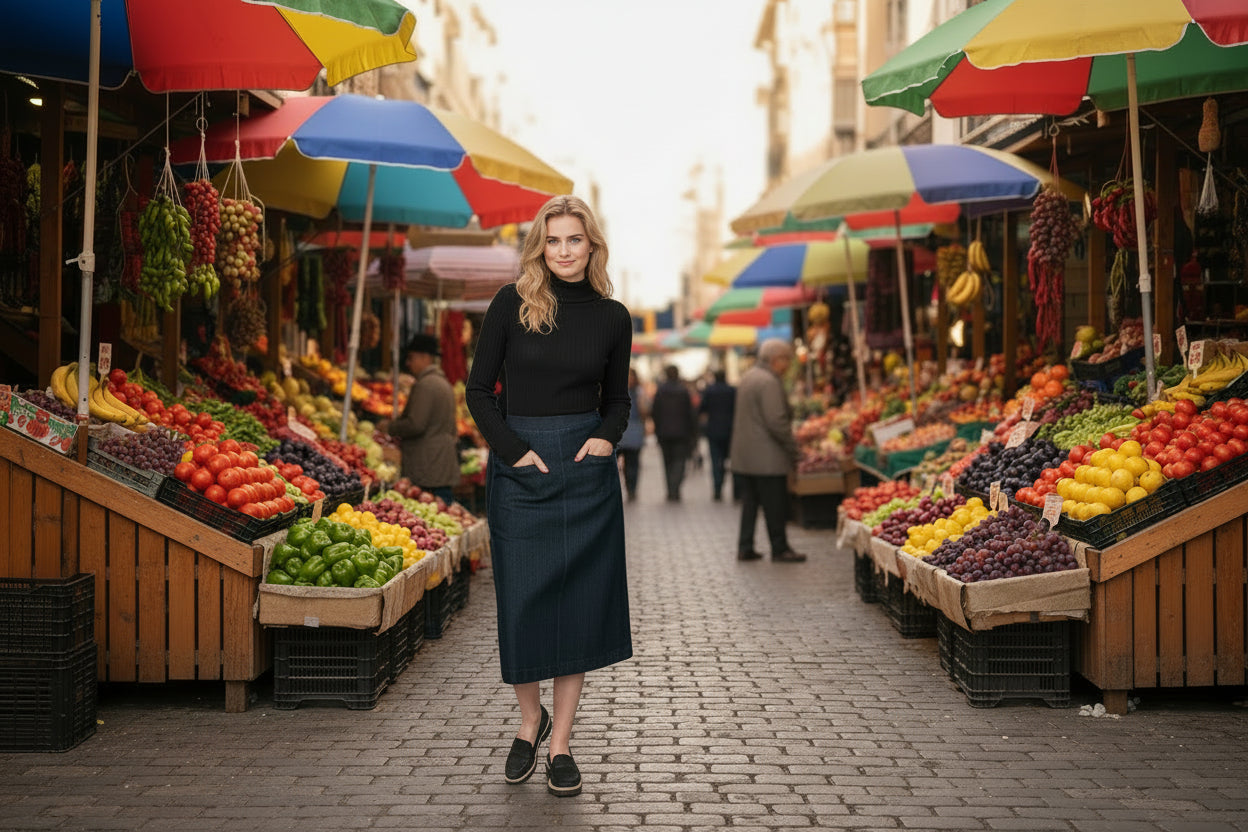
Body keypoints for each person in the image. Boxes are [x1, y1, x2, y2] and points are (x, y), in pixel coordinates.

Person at [466, 195, 632, 798]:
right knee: (524, 599)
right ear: (541, 245)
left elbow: (618, 400)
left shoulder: (614, 317)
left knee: (579, 604)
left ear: (593, 247)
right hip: (520, 466)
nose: (564, 251)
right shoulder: (512, 303)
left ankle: (560, 741)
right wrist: (513, 450)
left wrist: (603, 441)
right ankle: (527, 721)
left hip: (584, 469)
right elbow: (479, 391)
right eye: (554, 241)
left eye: (575, 241)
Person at [730, 339, 806, 563]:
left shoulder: (749, 376)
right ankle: (780, 548)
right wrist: (793, 449)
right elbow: (776, 421)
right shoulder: (769, 382)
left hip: (746, 455)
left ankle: (745, 546)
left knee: (750, 503)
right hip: (767, 456)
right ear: (776, 359)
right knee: (774, 504)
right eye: (786, 360)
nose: (788, 365)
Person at [384, 333, 458, 506]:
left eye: (411, 357)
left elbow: (416, 424)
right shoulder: (442, 383)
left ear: (425, 357)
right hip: (440, 462)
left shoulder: (426, 385)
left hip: (428, 465)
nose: (408, 363)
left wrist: (390, 427)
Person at [649, 364, 697, 502]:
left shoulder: (661, 391)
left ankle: (671, 489)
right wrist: (693, 432)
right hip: (682, 433)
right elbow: (690, 413)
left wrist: (658, 428)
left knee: (667, 462)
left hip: (664, 432)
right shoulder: (683, 391)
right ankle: (675, 488)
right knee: (680, 461)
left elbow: (655, 412)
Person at [699, 369, 736, 501]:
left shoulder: (709, 391)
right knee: (729, 460)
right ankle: (732, 488)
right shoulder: (732, 390)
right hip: (729, 429)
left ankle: (717, 488)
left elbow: (702, 408)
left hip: (713, 430)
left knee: (715, 460)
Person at [617, 367, 647, 501]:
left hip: (634, 431)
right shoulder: (614, 391)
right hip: (617, 432)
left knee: (633, 463)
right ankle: (617, 489)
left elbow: (644, 411)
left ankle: (632, 490)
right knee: (614, 464)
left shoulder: (639, 392)